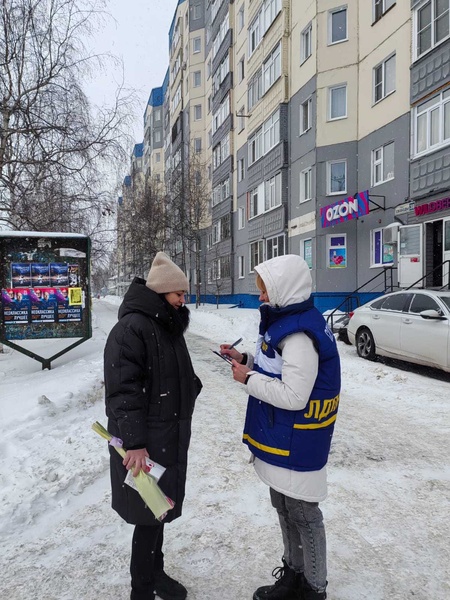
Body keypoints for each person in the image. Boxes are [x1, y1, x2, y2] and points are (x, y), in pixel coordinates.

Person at [220, 254, 341, 600]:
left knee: (303, 512)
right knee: (285, 507)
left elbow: (294, 395)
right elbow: (277, 370)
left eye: (264, 290)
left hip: (297, 440)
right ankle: (293, 574)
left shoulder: (300, 336)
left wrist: (248, 379)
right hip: (282, 437)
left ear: (284, 291)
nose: (259, 296)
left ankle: (314, 588)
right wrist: (245, 361)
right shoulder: (288, 324)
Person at [104, 252, 202, 600]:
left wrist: (190, 386)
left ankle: (156, 574)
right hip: (144, 444)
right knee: (148, 517)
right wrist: (134, 443)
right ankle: (142, 590)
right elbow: (123, 392)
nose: (183, 300)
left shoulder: (166, 326)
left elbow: (169, 375)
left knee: (158, 511)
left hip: (166, 436)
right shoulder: (132, 328)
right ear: (162, 292)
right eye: (179, 294)